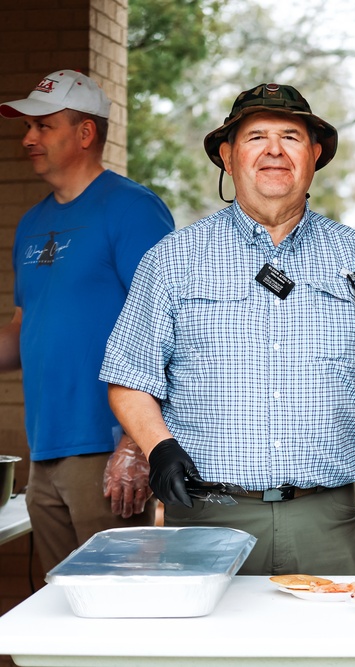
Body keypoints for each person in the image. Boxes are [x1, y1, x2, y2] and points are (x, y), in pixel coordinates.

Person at [99, 82, 355, 576]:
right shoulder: (172, 261)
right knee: (212, 656)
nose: (274, 150)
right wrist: (160, 449)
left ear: (315, 154)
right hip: (205, 519)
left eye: (291, 137)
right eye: (256, 136)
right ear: (227, 155)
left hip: (327, 521)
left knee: (329, 653)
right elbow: (130, 378)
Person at [0, 70, 174, 572]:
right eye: (28, 127)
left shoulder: (132, 210)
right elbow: (22, 330)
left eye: (44, 126)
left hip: (107, 450)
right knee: (62, 609)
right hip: (44, 448)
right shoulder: (32, 224)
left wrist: (138, 445)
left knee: (115, 614)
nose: (29, 138)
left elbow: (168, 327)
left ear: (85, 133)